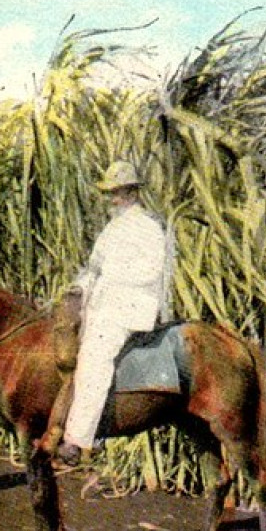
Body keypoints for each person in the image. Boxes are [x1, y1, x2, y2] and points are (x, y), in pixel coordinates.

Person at [40, 160, 175, 465]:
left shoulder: (148, 228)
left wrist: (109, 280)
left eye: (116, 193)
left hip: (130, 305)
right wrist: (78, 289)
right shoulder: (112, 229)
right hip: (104, 303)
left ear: (130, 192)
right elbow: (93, 268)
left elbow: (153, 272)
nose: (112, 199)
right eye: (110, 193)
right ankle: (55, 423)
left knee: (95, 356)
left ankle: (79, 440)